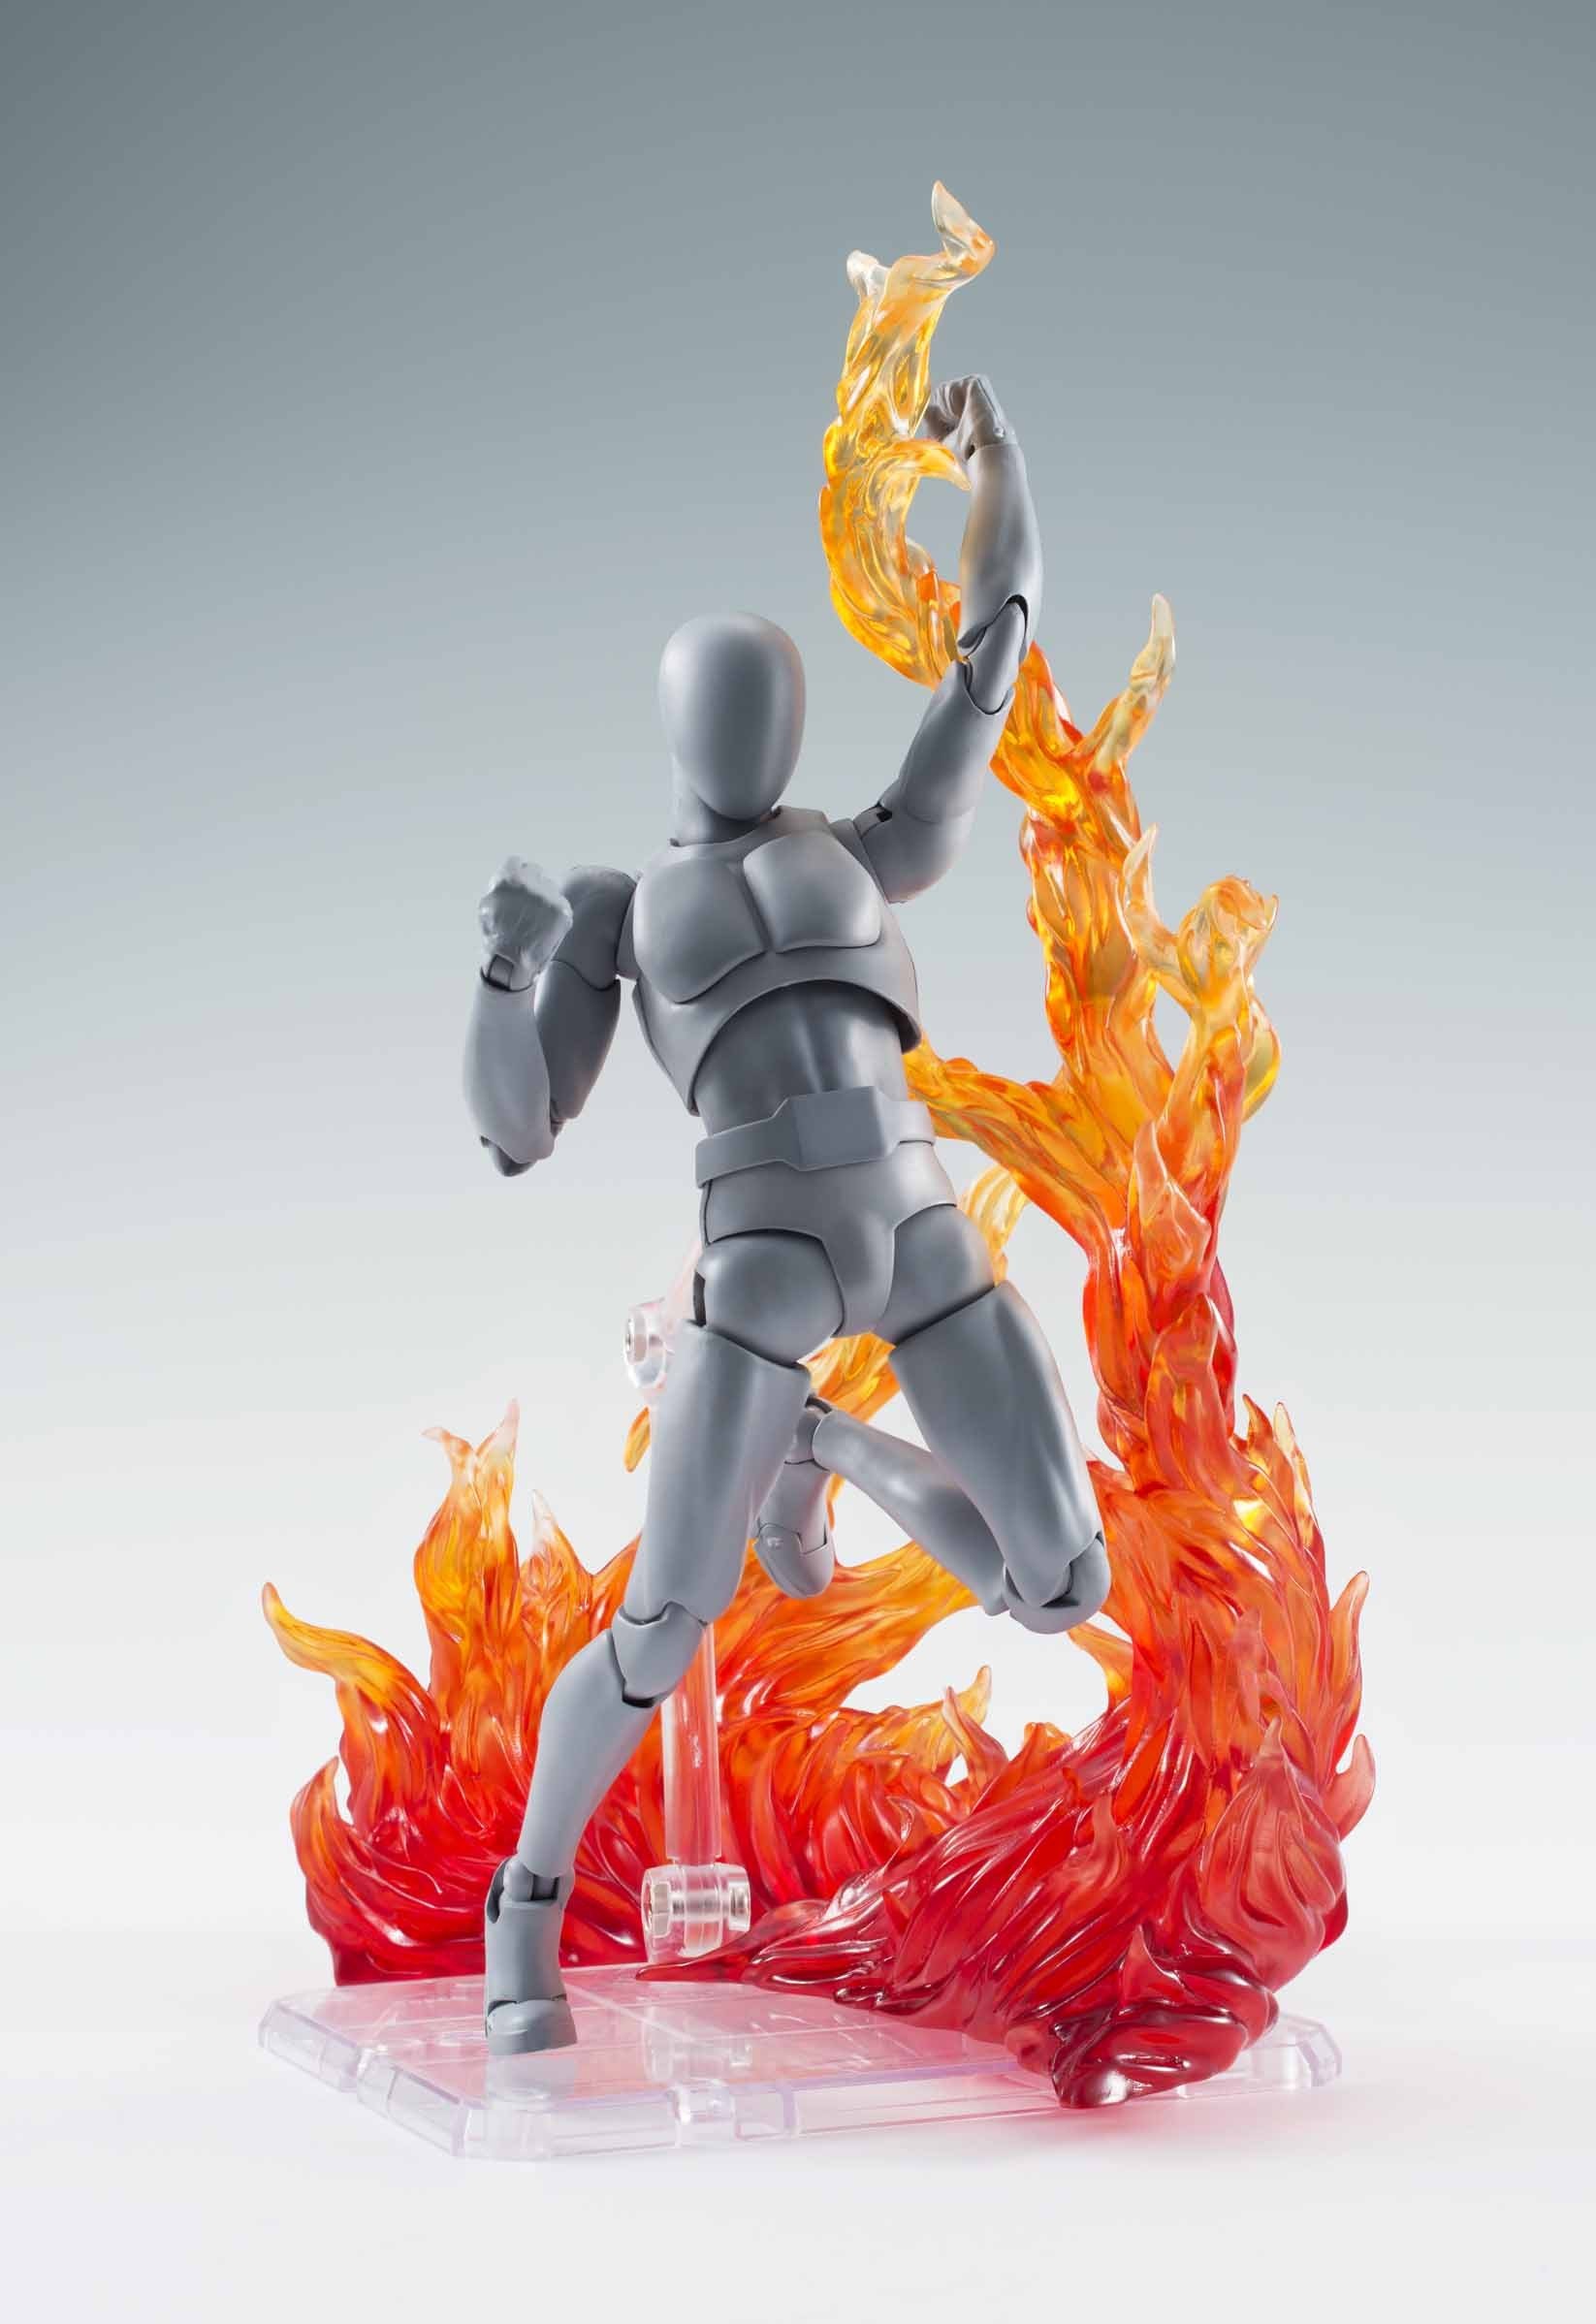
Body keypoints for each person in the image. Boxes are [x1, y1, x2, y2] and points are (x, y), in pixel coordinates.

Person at [463, 376, 1108, 2055]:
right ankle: (524, 1906)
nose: (756, 735)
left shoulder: (866, 844)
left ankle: (825, 1449)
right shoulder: (617, 910)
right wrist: (507, 973)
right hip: (754, 1274)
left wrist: (999, 462)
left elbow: (991, 647)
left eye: (776, 705)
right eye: (727, 704)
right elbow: (516, 1132)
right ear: (676, 726)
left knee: (1058, 1581)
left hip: (924, 1233)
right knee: (659, 1624)